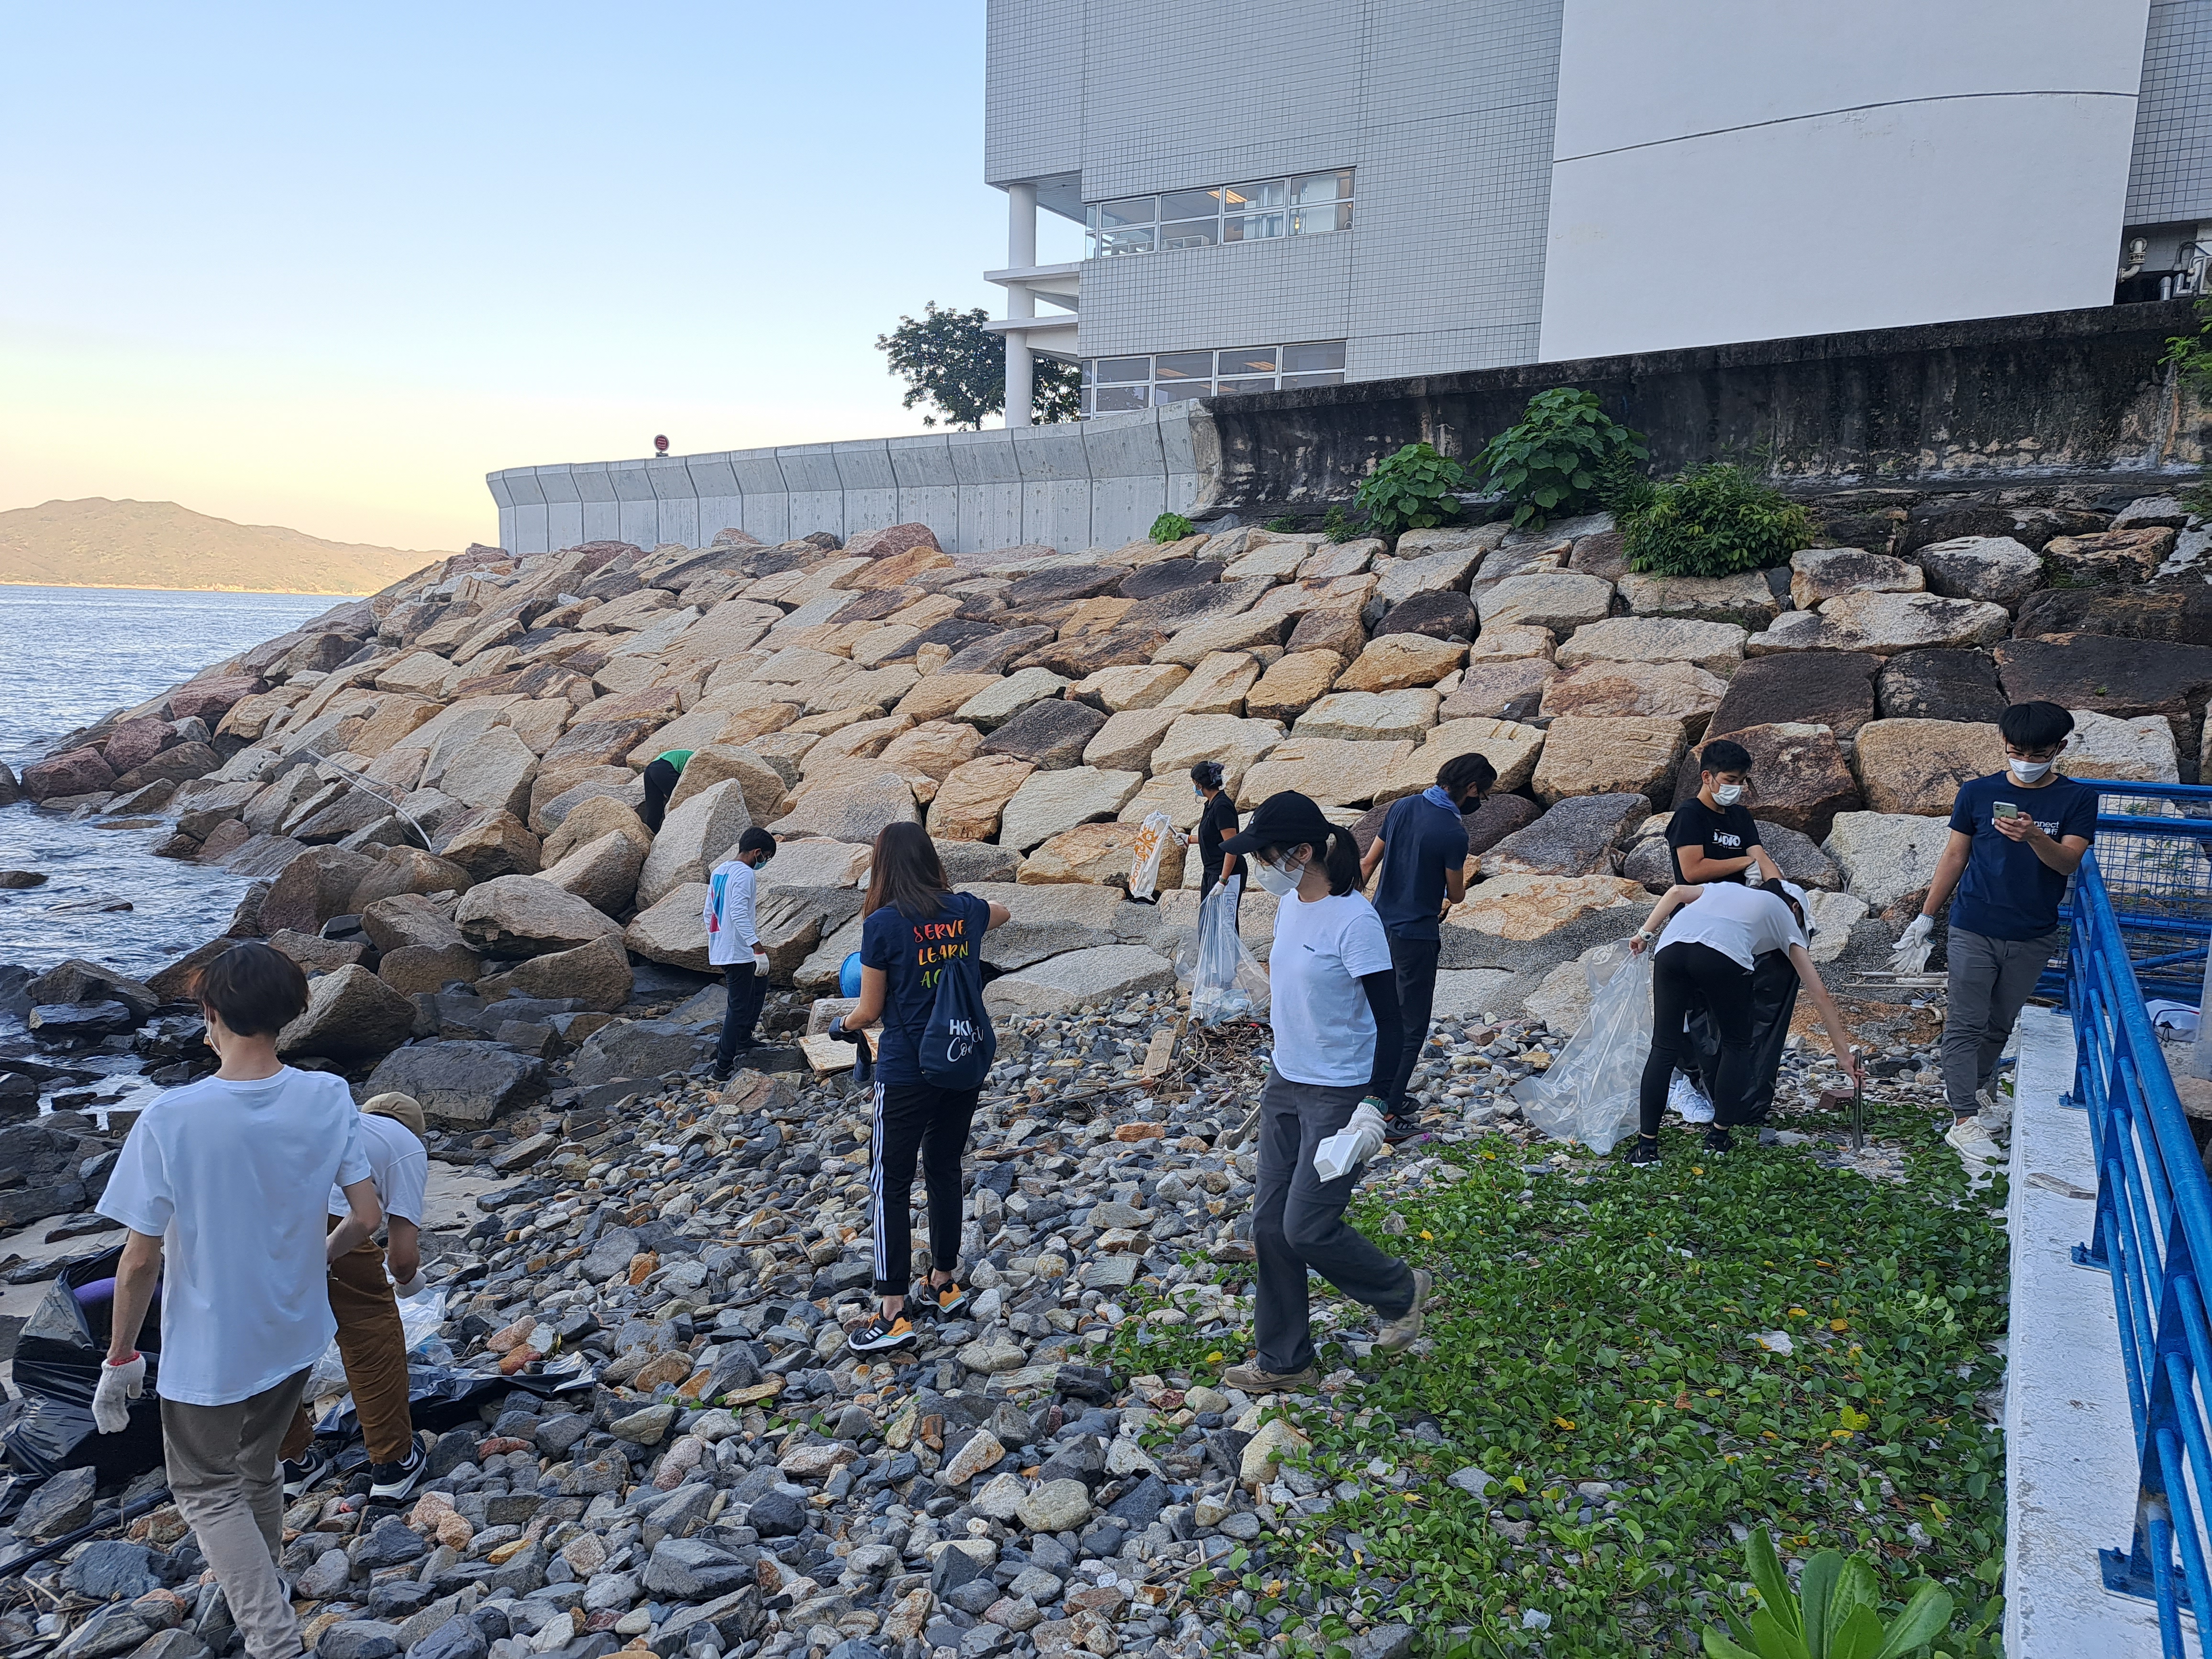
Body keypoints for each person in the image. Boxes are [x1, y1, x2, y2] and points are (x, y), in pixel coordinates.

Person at [91, 943, 380, 1659]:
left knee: (204, 1489)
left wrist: (121, 1357)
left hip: (213, 1346)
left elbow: (138, 1260)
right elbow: (367, 1218)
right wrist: (311, 1258)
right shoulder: (326, 1095)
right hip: (294, 1325)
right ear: (291, 1015)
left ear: (210, 1014)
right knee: (257, 1467)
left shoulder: (173, 1118)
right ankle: (268, 1583)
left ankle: (272, 1637)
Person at [1214, 791, 1427, 1393]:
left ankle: (1400, 1290)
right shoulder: (1291, 908)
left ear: (1301, 852)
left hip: (1339, 1090)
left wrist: (1376, 1103)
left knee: (1306, 1227)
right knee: (1269, 1228)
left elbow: (1396, 1023)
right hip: (1286, 1080)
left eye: (1265, 856)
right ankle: (1285, 1363)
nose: (1259, 867)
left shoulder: (1355, 920)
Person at [831, 822, 1010, 1354]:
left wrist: (842, 1028)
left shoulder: (883, 925)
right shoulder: (964, 910)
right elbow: (1001, 911)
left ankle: (891, 1312)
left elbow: (868, 1010)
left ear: (882, 867)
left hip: (908, 1070)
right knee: (944, 1167)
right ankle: (945, 1281)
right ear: (931, 861)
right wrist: (965, 924)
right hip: (961, 1060)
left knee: (890, 1179)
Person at [1898, 700, 2095, 1165]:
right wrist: (1925, 917)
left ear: (2059, 748)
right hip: (1973, 926)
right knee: (1965, 1022)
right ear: (2004, 744)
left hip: (2033, 932)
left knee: (1999, 1024)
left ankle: (1979, 1089)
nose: (2025, 760)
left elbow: (2068, 862)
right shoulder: (1976, 793)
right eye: (2016, 750)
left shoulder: (2077, 800)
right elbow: (1954, 856)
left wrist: (2033, 836)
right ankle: (1963, 1118)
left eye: (2037, 752)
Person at [1627, 879, 1862, 1161]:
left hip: (1671, 948)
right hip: (1721, 955)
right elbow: (1818, 992)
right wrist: (1843, 1055)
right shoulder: (1785, 916)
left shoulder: (1726, 889)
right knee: (1737, 1045)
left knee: (1664, 1047)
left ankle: (1646, 1148)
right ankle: (1717, 1138)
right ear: (1796, 907)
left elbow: (1676, 893)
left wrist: (1644, 934)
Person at [277, 1091, 432, 1503]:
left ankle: (293, 1461)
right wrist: (407, 1286)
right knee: (369, 1332)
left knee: (273, 1341)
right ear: (416, 1130)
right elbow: (402, 1259)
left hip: (266, 1220)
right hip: (333, 1225)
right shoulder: (406, 1146)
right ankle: (392, 1462)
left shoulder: (340, 1124)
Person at [1359, 752, 1495, 1139]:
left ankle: (1373, 1089)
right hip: (1415, 935)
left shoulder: (1401, 807)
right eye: (1481, 794)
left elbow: (1368, 863)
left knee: (1378, 1015)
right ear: (1470, 787)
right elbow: (1456, 893)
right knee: (1411, 1024)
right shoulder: (1453, 832)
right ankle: (1384, 1106)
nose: (1479, 802)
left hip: (1377, 924)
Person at [706, 827, 779, 1079]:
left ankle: (744, 1038)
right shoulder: (745, 874)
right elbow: (737, 912)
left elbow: (709, 913)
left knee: (760, 984)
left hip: (724, 945)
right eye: (766, 857)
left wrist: (717, 937)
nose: (765, 862)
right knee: (738, 1006)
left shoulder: (719, 871)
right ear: (757, 852)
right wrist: (756, 945)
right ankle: (722, 1066)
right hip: (739, 950)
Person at [1669, 738, 1783, 885]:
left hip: (1739, 899)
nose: (1737, 787)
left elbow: (1759, 857)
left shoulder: (1741, 815)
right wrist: (1744, 862)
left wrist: (1784, 890)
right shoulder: (1689, 814)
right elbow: (1692, 871)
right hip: (1700, 902)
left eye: (1741, 781)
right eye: (1730, 780)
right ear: (1707, 777)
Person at [1192, 762, 1243, 905]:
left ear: (1200, 785)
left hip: (1226, 873)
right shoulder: (1210, 805)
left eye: (1195, 783)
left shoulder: (1222, 806)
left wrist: (1223, 881)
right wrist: (1189, 839)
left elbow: (1232, 846)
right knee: (1210, 921)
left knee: (1225, 922)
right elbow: (1212, 837)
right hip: (1211, 871)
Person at [640, 747, 694, 832]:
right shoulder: (698, 757)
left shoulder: (688, 753)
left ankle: (651, 833)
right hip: (664, 768)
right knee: (679, 801)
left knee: (654, 805)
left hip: (650, 768)